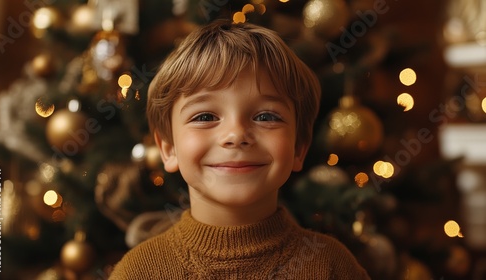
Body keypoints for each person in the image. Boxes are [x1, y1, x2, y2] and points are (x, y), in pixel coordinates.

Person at [109, 19, 370, 279]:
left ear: (299, 148)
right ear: (168, 148)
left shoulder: (333, 266)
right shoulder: (138, 272)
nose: (235, 135)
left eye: (266, 117)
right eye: (204, 117)